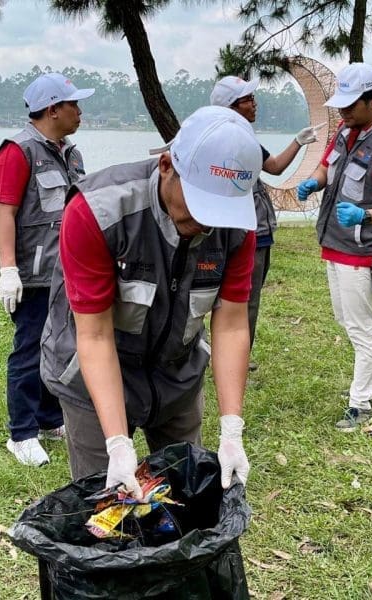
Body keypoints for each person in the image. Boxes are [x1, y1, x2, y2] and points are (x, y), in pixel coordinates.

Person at [40, 106, 257, 497]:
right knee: (105, 504)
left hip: (177, 375)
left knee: (183, 495)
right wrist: (118, 444)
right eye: (199, 202)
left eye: (220, 209)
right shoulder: (98, 211)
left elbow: (232, 323)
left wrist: (231, 428)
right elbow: (94, 336)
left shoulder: (238, 227)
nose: (207, 223)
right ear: (166, 166)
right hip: (95, 372)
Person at [294, 63, 372, 432]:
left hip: (360, 252)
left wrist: (364, 215)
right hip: (333, 243)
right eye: (340, 105)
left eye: (350, 105)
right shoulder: (346, 130)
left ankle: (360, 405)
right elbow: (326, 167)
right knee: (349, 322)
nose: (342, 112)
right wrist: (312, 183)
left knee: (361, 329)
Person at [0, 73, 94, 466]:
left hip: (67, 270)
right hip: (33, 275)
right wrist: (8, 269)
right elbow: (5, 212)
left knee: (61, 347)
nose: (80, 112)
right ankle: (21, 433)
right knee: (30, 349)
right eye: (74, 105)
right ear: (53, 109)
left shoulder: (71, 153)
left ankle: (52, 419)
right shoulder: (17, 151)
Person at [209, 76, 325, 371]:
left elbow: (272, 167)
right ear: (232, 108)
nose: (254, 104)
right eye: (247, 99)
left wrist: (298, 141)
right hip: (245, 230)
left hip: (255, 229)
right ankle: (233, 355)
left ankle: (234, 352)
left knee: (242, 295)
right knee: (242, 296)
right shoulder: (226, 141)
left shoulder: (240, 139)